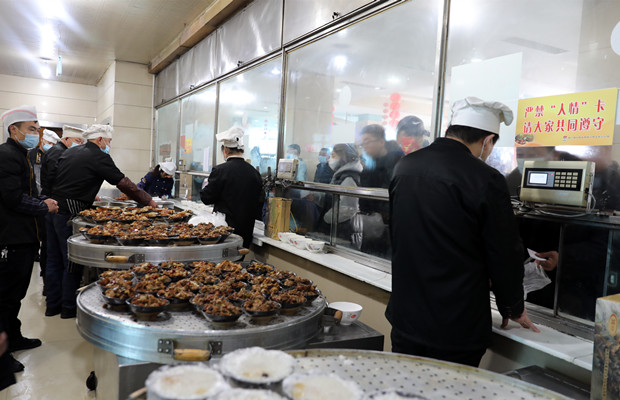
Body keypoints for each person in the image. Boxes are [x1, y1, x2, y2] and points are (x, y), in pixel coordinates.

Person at [388, 97, 539, 367]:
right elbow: (503, 251)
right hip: (455, 324)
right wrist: (512, 306)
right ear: (488, 140)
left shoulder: (405, 166)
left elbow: (398, 233)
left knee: (404, 384)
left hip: (406, 318)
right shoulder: (486, 178)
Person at [46, 124, 156, 319]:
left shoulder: (71, 152)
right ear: (99, 139)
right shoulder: (98, 155)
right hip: (70, 211)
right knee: (72, 260)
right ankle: (68, 307)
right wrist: (148, 201)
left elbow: (57, 178)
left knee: (54, 259)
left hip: (53, 208)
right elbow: (123, 183)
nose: (109, 145)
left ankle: (52, 305)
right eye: (109, 141)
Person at [0, 105, 59, 374]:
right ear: (14, 130)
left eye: (37, 129)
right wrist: (42, 207)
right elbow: (12, 198)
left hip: (24, 237)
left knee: (15, 296)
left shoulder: (21, 155)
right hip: (11, 239)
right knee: (5, 298)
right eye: (31, 129)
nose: (36, 134)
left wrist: (43, 200)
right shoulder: (6, 156)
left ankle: (14, 337)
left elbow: (27, 192)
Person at [200, 127, 264, 249]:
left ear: (225, 149)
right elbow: (259, 202)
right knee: (238, 260)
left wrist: (205, 186)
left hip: (224, 232)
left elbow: (206, 198)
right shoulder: (254, 173)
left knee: (223, 261)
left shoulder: (220, 170)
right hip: (245, 233)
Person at [358, 124, 403, 256]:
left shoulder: (396, 164)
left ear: (381, 142)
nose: (364, 147)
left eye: (367, 142)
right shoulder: (371, 164)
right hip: (372, 224)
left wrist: (382, 213)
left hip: (388, 226)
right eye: (362, 144)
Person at [28, 128, 60, 294]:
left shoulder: (53, 155)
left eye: (53, 144)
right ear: (42, 141)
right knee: (40, 237)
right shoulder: (31, 155)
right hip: (35, 200)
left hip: (47, 201)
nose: (50, 146)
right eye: (49, 143)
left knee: (46, 240)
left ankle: (45, 275)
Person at [322, 143, 362, 246]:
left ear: (343, 157)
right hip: (336, 225)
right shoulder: (341, 174)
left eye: (333, 156)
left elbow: (348, 208)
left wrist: (327, 218)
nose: (329, 159)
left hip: (342, 229)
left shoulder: (348, 177)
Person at [40, 125, 85, 196]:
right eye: (77, 141)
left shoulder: (65, 151)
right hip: (52, 194)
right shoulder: (58, 151)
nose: (79, 145)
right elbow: (53, 175)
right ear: (66, 138)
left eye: (81, 143)